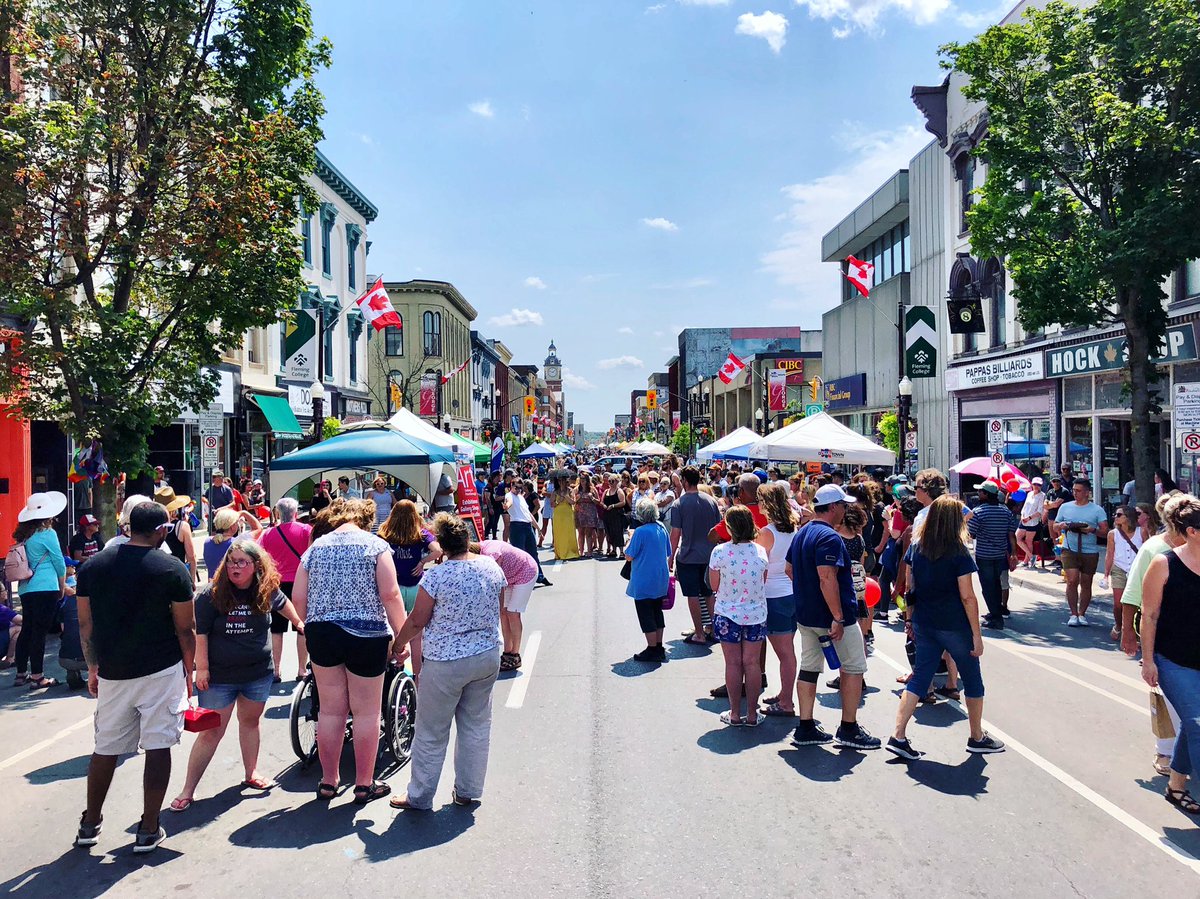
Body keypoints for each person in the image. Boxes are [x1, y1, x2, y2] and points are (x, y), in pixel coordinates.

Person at [74, 501, 196, 853]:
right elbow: (185, 627)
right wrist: (190, 670)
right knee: (159, 745)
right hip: (161, 669)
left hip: (113, 670)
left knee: (105, 748)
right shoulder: (172, 568)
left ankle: (90, 822)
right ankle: (147, 827)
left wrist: (93, 666)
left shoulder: (93, 567)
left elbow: (85, 625)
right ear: (160, 530)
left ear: (128, 527)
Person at [170, 539, 303, 811]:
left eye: (242, 562)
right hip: (219, 677)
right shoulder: (211, 594)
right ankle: (188, 789)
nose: (235, 567)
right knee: (211, 733)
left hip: (257, 674)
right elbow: (201, 633)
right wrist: (202, 669)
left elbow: (282, 602)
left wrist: (299, 623)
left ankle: (251, 773)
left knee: (250, 722)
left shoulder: (265, 589)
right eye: (231, 562)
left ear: (256, 566)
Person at [291, 499, 407, 804]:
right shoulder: (374, 546)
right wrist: (402, 635)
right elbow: (390, 593)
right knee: (366, 711)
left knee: (330, 710)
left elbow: (298, 596)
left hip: (322, 632)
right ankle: (364, 783)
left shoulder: (315, 548)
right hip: (366, 632)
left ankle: (328, 781)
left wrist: (308, 625)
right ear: (366, 519)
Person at [390, 514, 508, 811]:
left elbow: (417, 620)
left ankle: (419, 795)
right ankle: (467, 790)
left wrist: (399, 643)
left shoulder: (437, 577)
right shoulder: (491, 567)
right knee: (476, 724)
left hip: (446, 661)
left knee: (431, 730)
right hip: (485, 655)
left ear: (441, 545)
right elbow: (499, 605)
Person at [886, 495, 1005, 759]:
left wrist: (909, 618)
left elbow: (912, 586)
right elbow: (968, 596)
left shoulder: (917, 547)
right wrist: (977, 635)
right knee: (972, 679)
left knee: (919, 677)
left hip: (925, 621)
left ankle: (898, 734)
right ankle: (976, 736)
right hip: (954, 624)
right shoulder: (958, 551)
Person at [788, 484, 880, 751]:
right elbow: (827, 577)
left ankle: (805, 725)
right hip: (832, 617)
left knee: (809, 667)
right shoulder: (829, 537)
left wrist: (807, 594)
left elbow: (790, 568)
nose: (846, 509)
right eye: (843, 505)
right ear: (833, 507)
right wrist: (838, 616)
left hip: (807, 615)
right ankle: (848, 727)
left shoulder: (803, 531)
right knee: (853, 668)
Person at [1139, 495, 1200, 817]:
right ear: (1191, 531)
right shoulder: (1164, 563)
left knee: (1193, 726)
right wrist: (1148, 660)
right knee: (1197, 723)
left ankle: (1177, 787)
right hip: (1174, 658)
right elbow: (1148, 615)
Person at [709, 505, 769, 727]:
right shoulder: (760, 551)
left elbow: (714, 585)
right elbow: (762, 581)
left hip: (727, 612)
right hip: (755, 613)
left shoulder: (720, 552)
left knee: (733, 663)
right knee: (752, 664)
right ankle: (752, 714)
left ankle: (734, 713)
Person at [10, 492, 69, 689]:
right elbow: (59, 562)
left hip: (26, 587)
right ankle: (38, 676)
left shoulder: (24, 535)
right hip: (46, 586)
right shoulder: (48, 534)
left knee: (27, 629)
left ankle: (21, 673)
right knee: (39, 632)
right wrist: (62, 587)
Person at [378, 499, 442, 678]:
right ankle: (417, 676)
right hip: (415, 586)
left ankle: (394, 669)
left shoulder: (385, 534)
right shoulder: (420, 534)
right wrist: (422, 562)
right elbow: (437, 550)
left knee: (394, 632)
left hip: (394, 587)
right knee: (416, 636)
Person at [258, 497, 313, 681]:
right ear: (295, 513)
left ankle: (276, 670)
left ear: (278, 513)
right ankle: (301, 670)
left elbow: (260, 558)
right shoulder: (307, 530)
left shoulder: (268, 534)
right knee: (302, 627)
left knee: (276, 629)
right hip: (301, 583)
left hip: (277, 585)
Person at [756, 482, 799, 716]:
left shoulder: (767, 533)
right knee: (787, 651)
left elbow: (758, 565)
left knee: (785, 654)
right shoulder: (792, 529)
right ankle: (784, 694)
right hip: (790, 593)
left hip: (773, 595)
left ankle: (787, 702)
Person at [670, 466, 723, 646]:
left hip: (688, 556)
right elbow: (718, 529)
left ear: (684, 481)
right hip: (709, 556)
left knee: (692, 595)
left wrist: (670, 558)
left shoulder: (679, 504)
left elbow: (675, 534)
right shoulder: (711, 501)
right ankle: (715, 630)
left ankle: (699, 633)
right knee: (709, 593)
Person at [1051, 478, 1108, 626]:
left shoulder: (1097, 510)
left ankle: (1082, 613)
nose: (1075, 493)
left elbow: (1105, 531)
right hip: (1070, 547)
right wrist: (1062, 525)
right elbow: (1055, 526)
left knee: (1086, 582)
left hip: (1090, 550)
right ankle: (1073, 613)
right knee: (1072, 580)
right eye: (1074, 490)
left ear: (1087, 493)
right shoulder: (1065, 507)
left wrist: (1092, 530)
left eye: (1078, 491)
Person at [479, 539, 538, 671]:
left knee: (513, 613)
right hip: (509, 576)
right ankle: (507, 652)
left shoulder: (490, 554)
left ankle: (515, 655)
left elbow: (494, 576)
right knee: (503, 613)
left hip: (525, 572)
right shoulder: (482, 546)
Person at [624, 499, 671, 662]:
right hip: (660, 576)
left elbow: (629, 555)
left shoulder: (640, 531)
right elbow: (668, 551)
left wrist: (629, 539)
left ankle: (652, 648)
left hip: (644, 577)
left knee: (646, 614)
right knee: (657, 611)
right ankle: (658, 646)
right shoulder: (661, 527)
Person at [968, 482, 1017, 629]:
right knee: (996, 584)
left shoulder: (978, 512)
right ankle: (995, 611)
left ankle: (996, 617)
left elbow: (972, 533)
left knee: (988, 587)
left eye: (981, 492)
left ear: (986, 494)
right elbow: (1011, 534)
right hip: (1000, 554)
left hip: (985, 555)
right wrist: (1014, 553)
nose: (978, 494)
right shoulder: (1005, 511)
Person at [1103, 505, 1143, 642]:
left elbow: (1146, 550)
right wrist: (1106, 574)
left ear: (1128, 517)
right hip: (1119, 568)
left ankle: (1134, 628)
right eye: (1115, 515)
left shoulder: (1141, 531)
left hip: (1136, 569)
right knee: (1118, 603)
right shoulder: (1112, 534)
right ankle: (1119, 625)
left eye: (1119, 515)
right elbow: (1109, 554)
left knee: (1136, 602)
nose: (1116, 517)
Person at [506, 479, 550, 585]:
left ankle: (539, 576)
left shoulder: (521, 497)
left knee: (533, 553)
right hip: (517, 526)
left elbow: (528, 515)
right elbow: (509, 503)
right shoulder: (509, 495)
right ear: (511, 486)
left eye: (520, 488)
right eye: (516, 487)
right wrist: (507, 506)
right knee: (520, 555)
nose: (518, 490)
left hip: (527, 526)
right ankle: (519, 579)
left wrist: (538, 529)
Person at [154, 487, 198, 583]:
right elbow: (191, 557)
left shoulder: (151, 526)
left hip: (155, 575)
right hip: (177, 576)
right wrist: (192, 581)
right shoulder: (182, 526)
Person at [203, 507, 262, 576]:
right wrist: (244, 513)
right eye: (237, 522)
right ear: (232, 526)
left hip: (213, 583)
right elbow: (258, 528)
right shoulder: (238, 542)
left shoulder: (207, 542)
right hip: (230, 583)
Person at [547, 477, 580, 561]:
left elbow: (573, 502)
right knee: (559, 533)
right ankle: (561, 553)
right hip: (558, 515)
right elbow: (552, 504)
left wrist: (566, 496)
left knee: (569, 533)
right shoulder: (555, 491)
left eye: (563, 480)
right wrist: (558, 501)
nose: (561, 482)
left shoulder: (570, 490)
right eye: (559, 480)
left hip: (568, 514)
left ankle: (571, 552)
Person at [1017, 477, 1046, 568]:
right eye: (1035, 484)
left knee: (1028, 541)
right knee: (1018, 538)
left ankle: (1026, 560)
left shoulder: (1042, 495)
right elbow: (1025, 507)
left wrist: (1029, 518)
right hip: (1024, 519)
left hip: (1033, 521)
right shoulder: (1029, 494)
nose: (1036, 486)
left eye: (1038, 485)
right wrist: (1022, 516)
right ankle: (1031, 556)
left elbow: (1040, 511)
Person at [601, 474, 628, 559]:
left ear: (616, 481)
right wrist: (604, 505)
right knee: (609, 532)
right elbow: (601, 501)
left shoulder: (619, 491)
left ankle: (621, 552)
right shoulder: (606, 491)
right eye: (609, 481)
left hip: (617, 514)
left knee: (618, 533)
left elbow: (623, 502)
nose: (610, 483)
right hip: (608, 515)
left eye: (612, 481)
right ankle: (613, 550)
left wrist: (613, 505)